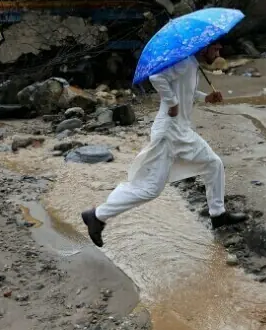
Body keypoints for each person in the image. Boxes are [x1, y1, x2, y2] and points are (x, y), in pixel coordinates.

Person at [81, 43, 248, 247]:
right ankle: (97, 215)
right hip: (168, 133)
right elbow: (156, 77)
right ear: (204, 49)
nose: (218, 53)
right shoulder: (184, 63)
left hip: (181, 132)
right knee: (150, 189)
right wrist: (171, 103)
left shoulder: (193, 65)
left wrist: (207, 98)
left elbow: (186, 91)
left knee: (213, 163)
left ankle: (218, 215)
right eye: (215, 50)